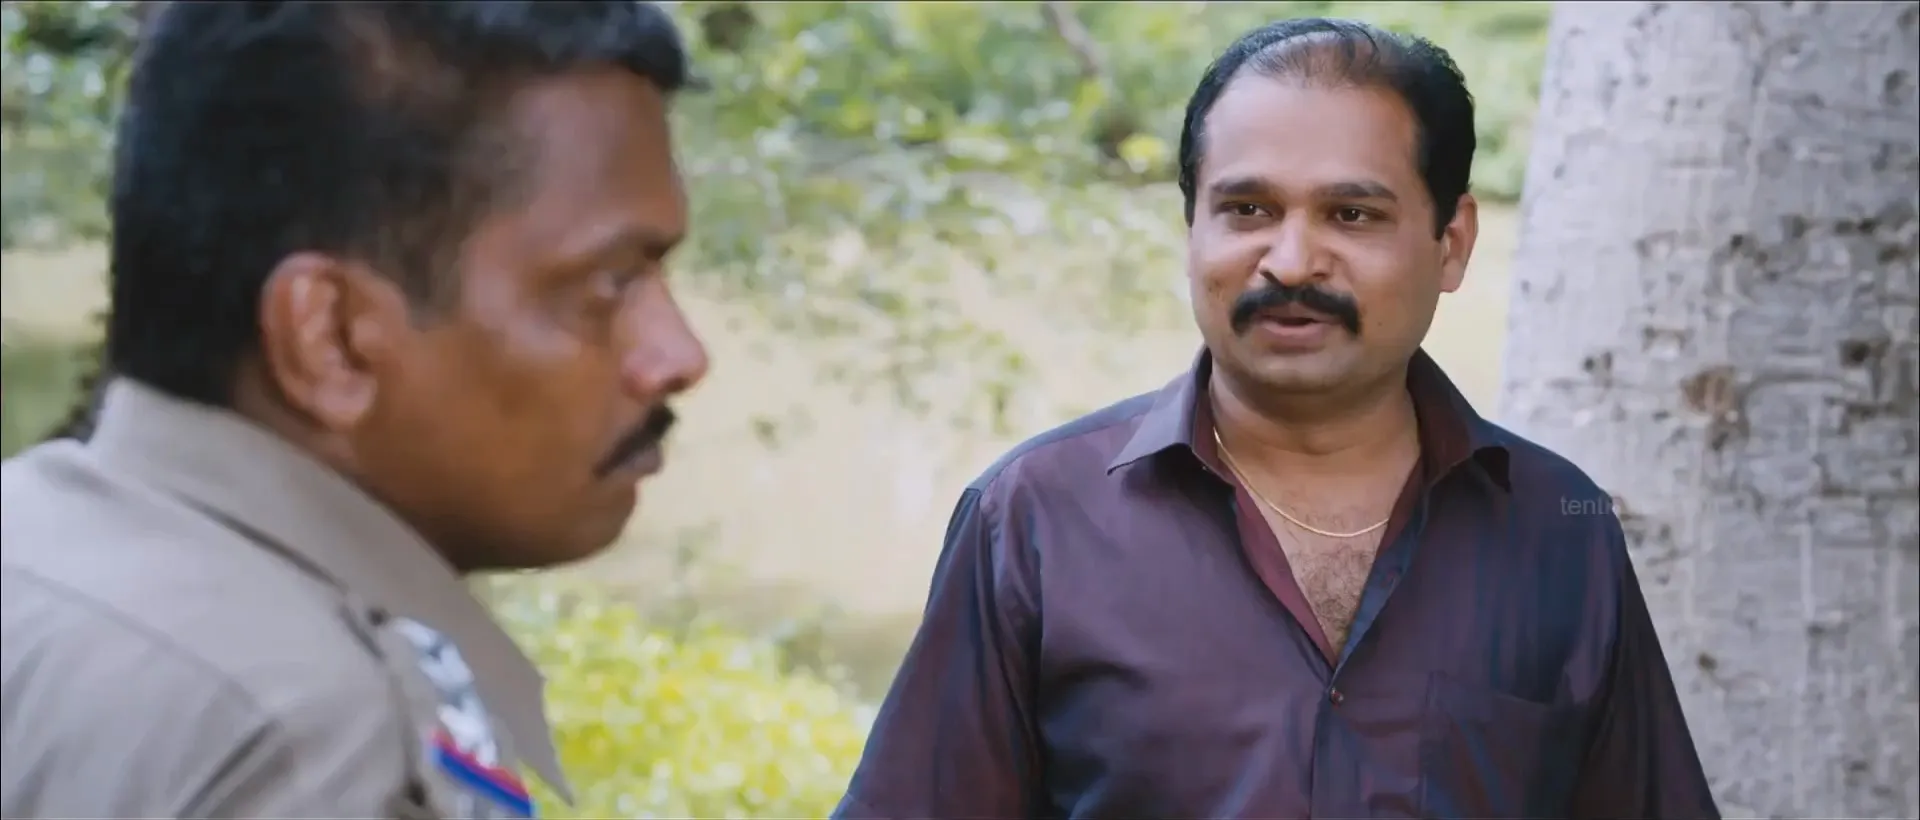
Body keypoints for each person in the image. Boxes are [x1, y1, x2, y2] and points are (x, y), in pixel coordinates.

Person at [836, 18, 1719, 820]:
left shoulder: (1558, 527)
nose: (1291, 261)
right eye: (1247, 210)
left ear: (1451, 244)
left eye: (1352, 214)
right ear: (1191, 230)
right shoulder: (1036, 518)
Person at [0, 1, 708, 817]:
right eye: (609, 285)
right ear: (331, 338)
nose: (680, 355)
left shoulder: (32, 541)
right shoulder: (324, 740)